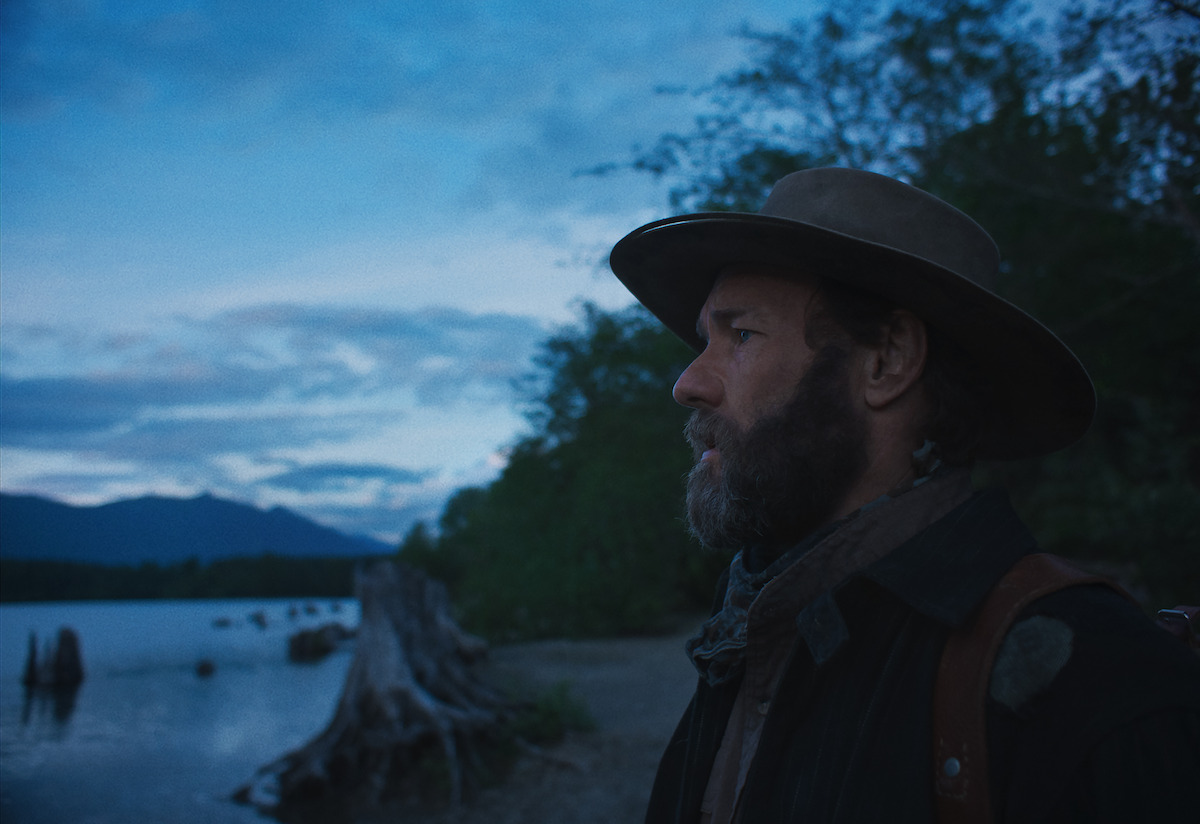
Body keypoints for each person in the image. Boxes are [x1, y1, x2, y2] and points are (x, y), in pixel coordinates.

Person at [607, 168, 1200, 823]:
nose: (688, 383)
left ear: (886, 361)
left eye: (741, 334)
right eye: (704, 340)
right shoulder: (749, 621)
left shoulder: (1095, 681)